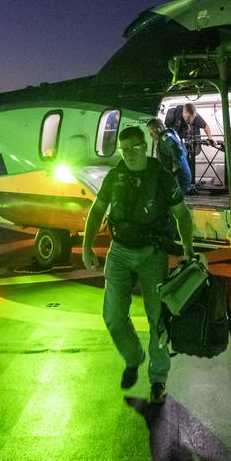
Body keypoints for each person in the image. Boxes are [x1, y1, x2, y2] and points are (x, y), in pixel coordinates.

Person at [82, 125, 194, 405]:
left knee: (157, 319)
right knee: (113, 316)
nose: (129, 154)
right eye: (124, 149)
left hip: (152, 254)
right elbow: (97, 210)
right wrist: (87, 246)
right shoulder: (115, 176)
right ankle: (133, 358)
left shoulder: (162, 179)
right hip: (119, 251)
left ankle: (158, 379)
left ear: (145, 147)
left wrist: (188, 250)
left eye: (134, 148)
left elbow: (181, 214)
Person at [147, 117, 192, 196]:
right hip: (181, 175)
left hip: (179, 177)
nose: (151, 135)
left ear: (160, 128)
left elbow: (177, 149)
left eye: (152, 131)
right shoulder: (171, 133)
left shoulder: (165, 137)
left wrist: (176, 168)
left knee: (174, 201)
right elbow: (184, 151)